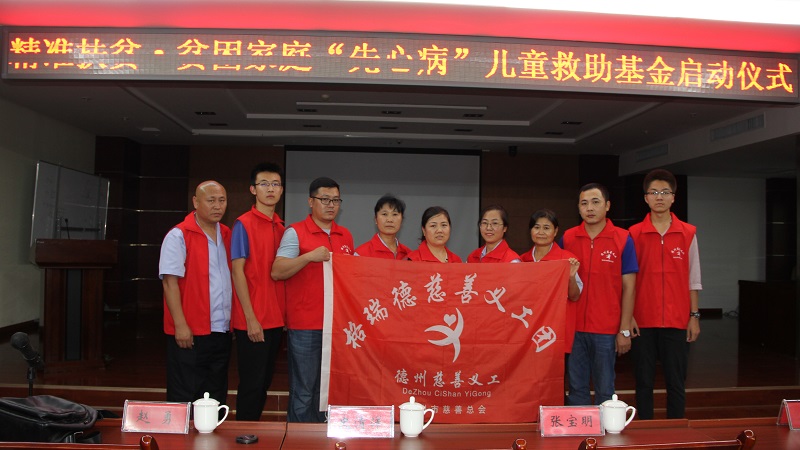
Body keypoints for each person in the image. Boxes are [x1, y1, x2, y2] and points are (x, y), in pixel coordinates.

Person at [271, 177, 354, 423]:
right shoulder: (295, 232)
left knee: (325, 392)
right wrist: (308, 257)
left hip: (336, 327)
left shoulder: (345, 235)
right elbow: (277, 270)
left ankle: (319, 439)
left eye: (336, 200)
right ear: (311, 201)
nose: (331, 205)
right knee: (304, 390)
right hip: (305, 325)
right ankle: (297, 439)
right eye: (324, 199)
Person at [629, 169, 702, 419]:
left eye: (664, 192)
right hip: (642, 320)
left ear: (673, 197)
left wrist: (694, 316)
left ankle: (676, 430)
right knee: (643, 381)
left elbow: (694, 278)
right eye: (653, 192)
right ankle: (645, 430)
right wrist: (629, 316)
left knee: (676, 382)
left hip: (677, 320)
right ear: (646, 198)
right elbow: (628, 280)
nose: (659, 197)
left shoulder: (688, 233)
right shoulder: (633, 234)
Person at [561, 183, 638, 406]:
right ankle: (580, 429)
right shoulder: (568, 238)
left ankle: (605, 429)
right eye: (584, 203)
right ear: (578, 208)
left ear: (607, 206)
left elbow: (629, 287)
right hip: (574, 327)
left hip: (606, 329)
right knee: (576, 388)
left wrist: (624, 329)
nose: (590, 208)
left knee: (605, 389)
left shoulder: (623, 238)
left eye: (596, 202)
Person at [159, 180, 232, 405]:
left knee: (215, 393)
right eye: (211, 200)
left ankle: (212, 428)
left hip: (221, 328)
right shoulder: (178, 235)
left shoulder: (227, 234)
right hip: (190, 330)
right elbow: (169, 283)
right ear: (196, 202)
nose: (217, 206)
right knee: (185, 393)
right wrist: (180, 325)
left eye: (222, 200)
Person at [230, 162, 286, 421]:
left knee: (264, 381)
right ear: (253, 189)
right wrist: (250, 318)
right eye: (264, 184)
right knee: (251, 384)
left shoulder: (282, 228)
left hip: (275, 319)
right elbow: (237, 272)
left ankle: (252, 430)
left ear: (281, 190)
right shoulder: (243, 224)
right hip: (252, 319)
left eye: (275, 184)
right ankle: (243, 432)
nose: (270, 189)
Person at [520, 209, 582, 353]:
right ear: (530, 231)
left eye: (546, 228)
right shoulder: (522, 261)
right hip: (528, 328)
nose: (541, 232)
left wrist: (571, 277)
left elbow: (574, 296)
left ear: (555, 231)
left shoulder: (567, 260)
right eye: (536, 227)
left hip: (555, 330)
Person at [355, 194, 412, 259]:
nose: (389, 220)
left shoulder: (409, 256)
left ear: (402, 220)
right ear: (376, 219)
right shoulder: (361, 254)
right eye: (384, 214)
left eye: (395, 214)